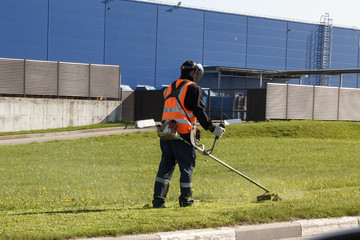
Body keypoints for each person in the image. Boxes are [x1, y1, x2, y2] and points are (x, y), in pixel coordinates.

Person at [152, 60, 226, 208]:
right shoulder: (193, 88)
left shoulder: (169, 88)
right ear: (193, 73)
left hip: (167, 134)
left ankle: (158, 202)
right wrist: (212, 128)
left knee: (165, 168)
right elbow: (199, 111)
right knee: (186, 168)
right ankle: (186, 201)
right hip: (183, 135)